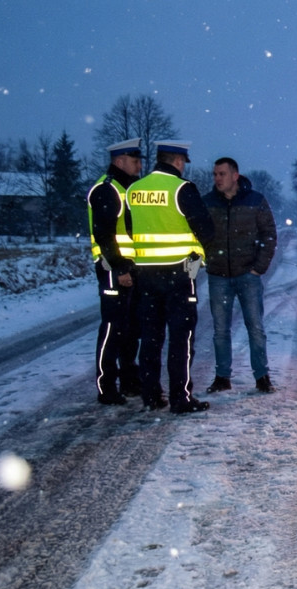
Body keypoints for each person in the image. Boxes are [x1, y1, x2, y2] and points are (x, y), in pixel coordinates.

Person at [124, 141, 215, 413]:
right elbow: (206, 232)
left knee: (150, 339)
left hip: (145, 276)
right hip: (178, 274)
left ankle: (151, 396)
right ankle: (180, 398)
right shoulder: (182, 189)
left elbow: (130, 232)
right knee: (181, 339)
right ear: (177, 161)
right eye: (183, 162)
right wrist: (196, 264)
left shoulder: (134, 190)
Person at [202, 157, 278, 394]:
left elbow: (269, 234)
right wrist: (208, 260)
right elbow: (198, 234)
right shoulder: (207, 203)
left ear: (235, 176)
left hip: (248, 275)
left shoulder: (255, 201)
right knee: (220, 330)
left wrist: (259, 267)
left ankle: (262, 376)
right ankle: (222, 377)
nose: (217, 178)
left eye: (222, 174)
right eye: (215, 174)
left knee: (255, 327)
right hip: (218, 276)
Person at [87, 138, 144, 405]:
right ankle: (106, 386)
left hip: (127, 269)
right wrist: (120, 267)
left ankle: (130, 380)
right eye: (135, 160)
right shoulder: (107, 190)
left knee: (130, 329)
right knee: (112, 328)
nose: (139, 165)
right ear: (119, 161)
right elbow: (104, 235)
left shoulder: (125, 188)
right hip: (113, 268)